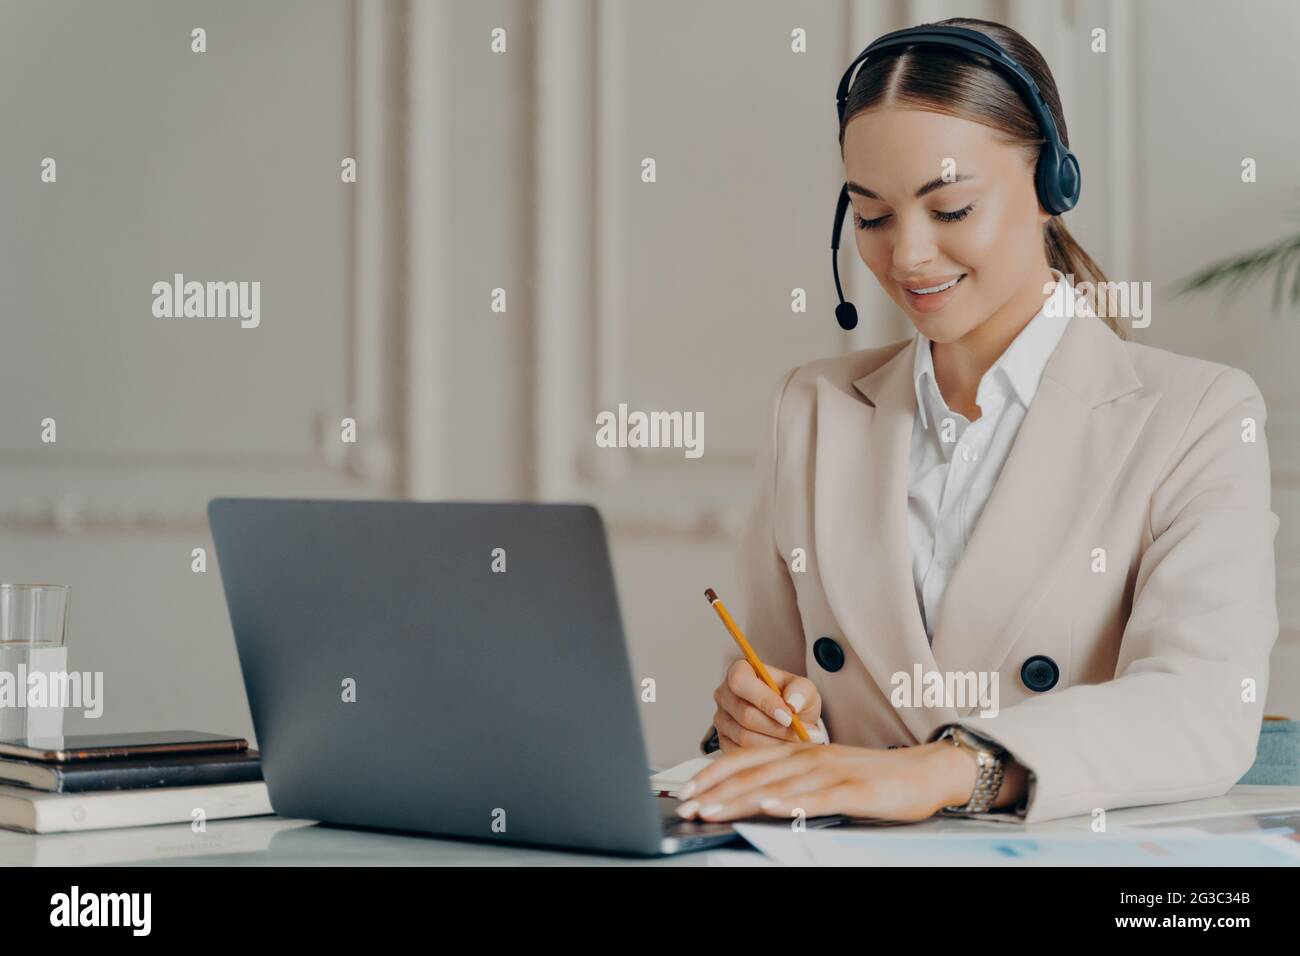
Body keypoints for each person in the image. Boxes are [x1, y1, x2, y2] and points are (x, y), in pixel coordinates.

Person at [677, 17, 1279, 825]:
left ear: (1051, 189)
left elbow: (1204, 704)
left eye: (951, 208)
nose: (910, 257)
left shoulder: (1197, 414)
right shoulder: (812, 409)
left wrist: (948, 771)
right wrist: (750, 723)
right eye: (872, 217)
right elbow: (775, 690)